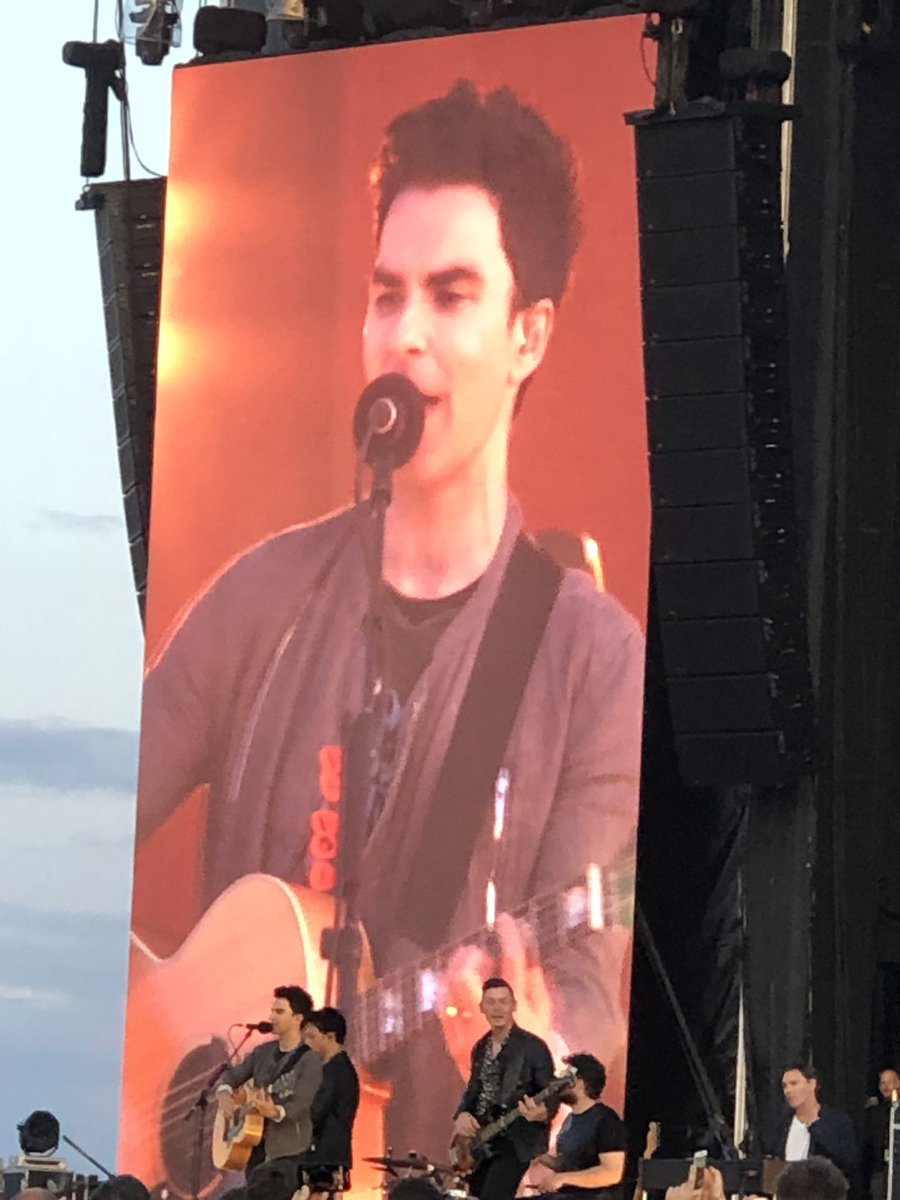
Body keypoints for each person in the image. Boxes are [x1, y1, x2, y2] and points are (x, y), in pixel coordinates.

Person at [136, 78, 644, 1163]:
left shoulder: (595, 662)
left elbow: (599, 996)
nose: (404, 334)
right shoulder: (261, 595)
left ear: (529, 334)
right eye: (386, 292)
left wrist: (540, 1045)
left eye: (452, 295)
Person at [452, 977, 555, 1200]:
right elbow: (473, 1089)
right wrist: (462, 1114)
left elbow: (551, 1092)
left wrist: (543, 1113)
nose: (497, 1008)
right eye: (491, 1002)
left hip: (515, 1140)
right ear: (482, 1007)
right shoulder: (481, 1047)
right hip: (483, 1140)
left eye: (503, 1002)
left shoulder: (533, 1048)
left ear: (514, 1006)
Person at [216, 986, 323, 1168]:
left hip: (288, 1152)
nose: (271, 1017)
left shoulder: (310, 1059)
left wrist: (274, 1111)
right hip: (255, 1151)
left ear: (298, 1019)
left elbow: (301, 1104)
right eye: (272, 1011)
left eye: (279, 1012)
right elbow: (232, 1075)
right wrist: (224, 1093)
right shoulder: (261, 1053)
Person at [535, 1053, 626, 1200]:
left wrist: (562, 1178)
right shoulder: (570, 1120)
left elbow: (612, 1173)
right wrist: (538, 1156)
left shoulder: (606, 1120)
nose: (558, 1084)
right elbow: (568, 1165)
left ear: (579, 1082)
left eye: (564, 1077)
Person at [775, 1065, 859, 1188]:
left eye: (794, 1083)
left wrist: (817, 1130)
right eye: (785, 1086)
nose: (788, 1091)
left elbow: (849, 1160)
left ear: (812, 1084)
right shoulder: (784, 1125)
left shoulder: (836, 1121)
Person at [301, 1007, 361, 1181]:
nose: (307, 1043)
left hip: (324, 1158)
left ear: (330, 1037)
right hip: (326, 1157)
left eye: (312, 1037)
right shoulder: (335, 1068)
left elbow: (315, 1113)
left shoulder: (335, 1071)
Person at [863, 1068, 900, 1200]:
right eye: (882, 1083)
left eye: (889, 1082)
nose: (885, 1087)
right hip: (880, 1171)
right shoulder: (874, 1113)